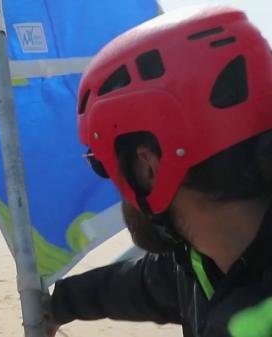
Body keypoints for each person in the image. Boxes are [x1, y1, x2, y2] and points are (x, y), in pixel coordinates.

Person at [46, 6, 272, 337]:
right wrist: (62, 304)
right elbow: (145, 286)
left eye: (101, 163)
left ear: (148, 166)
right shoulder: (205, 259)